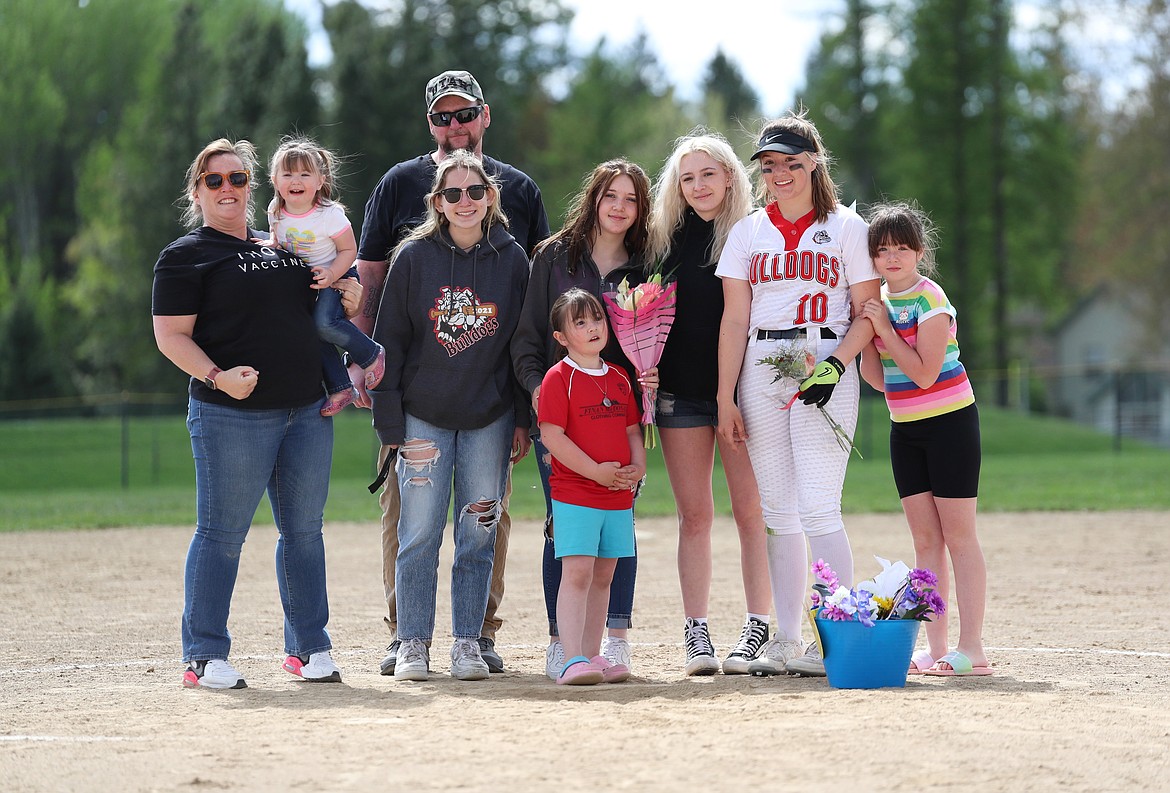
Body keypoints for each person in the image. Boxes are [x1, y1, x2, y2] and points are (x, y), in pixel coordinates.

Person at [352, 70, 550, 676]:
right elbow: (374, 288)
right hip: (421, 401)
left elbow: (530, 316)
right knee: (411, 523)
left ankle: (475, 636)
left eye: (464, 113)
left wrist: (524, 412)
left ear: (485, 116)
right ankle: (405, 635)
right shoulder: (402, 196)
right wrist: (367, 372)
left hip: (489, 406)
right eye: (442, 116)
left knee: (482, 525)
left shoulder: (517, 203)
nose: (454, 125)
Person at [152, 138, 360, 689]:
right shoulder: (185, 254)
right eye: (214, 180)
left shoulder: (284, 247)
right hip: (231, 414)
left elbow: (325, 300)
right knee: (222, 534)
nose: (228, 188)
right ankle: (203, 654)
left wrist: (351, 289)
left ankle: (309, 648)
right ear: (196, 191)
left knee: (304, 533)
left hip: (307, 411)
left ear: (252, 186)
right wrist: (217, 376)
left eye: (238, 178)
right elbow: (171, 336)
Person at [715, 111, 880, 677]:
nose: (780, 173)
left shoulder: (847, 228)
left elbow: (868, 310)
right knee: (779, 512)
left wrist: (836, 366)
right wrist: (724, 396)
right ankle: (786, 640)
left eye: (791, 161)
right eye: (770, 164)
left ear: (814, 162)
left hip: (823, 358)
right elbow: (735, 320)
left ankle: (830, 635)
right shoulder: (748, 232)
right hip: (761, 363)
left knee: (818, 506)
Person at [512, 158, 656, 680]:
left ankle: (611, 642)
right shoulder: (554, 256)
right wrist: (538, 398)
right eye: (610, 196)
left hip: (618, 418)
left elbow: (651, 342)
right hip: (564, 422)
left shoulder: (646, 264)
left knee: (618, 531)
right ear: (594, 198)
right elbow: (528, 336)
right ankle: (562, 642)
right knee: (567, 533)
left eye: (632, 199)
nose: (620, 207)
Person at [647, 131, 773, 676]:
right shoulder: (659, 241)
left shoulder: (752, 235)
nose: (698, 185)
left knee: (751, 513)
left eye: (708, 174)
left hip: (744, 395)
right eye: (687, 177)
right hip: (679, 393)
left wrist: (733, 397)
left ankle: (758, 627)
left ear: (730, 177)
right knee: (694, 516)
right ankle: (696, 633)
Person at [858, 202, 990, 677]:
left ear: (919, 252)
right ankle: (934, 649)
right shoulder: (879, 302)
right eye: (882, 249)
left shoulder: (930, 300)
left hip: (951, 424)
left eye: (902, 248)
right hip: (905, 430)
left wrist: (884, 330)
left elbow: (923, 373)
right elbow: (878, 378)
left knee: (959, 536)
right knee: (925, 541)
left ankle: (972, 649)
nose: (892, 257)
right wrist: (861, 329)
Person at [537, 288, 646, 685]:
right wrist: (594, 472)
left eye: (597, 319)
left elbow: (633, 429)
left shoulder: (618, 377)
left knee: (605, 575)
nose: (592, 327)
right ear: (562, 337)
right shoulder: (558, 378)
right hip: (577, 495)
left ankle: (592, 655)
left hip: (617, 497)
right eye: (580, 323)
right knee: (579, 572)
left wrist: (639, 465)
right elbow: (552, 436)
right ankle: (571, 658)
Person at [265, 135, 385, 417]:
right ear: (275, 180)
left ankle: (371, 354)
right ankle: (341, 387)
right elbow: (277, 235)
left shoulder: (329, 215)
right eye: (288, 173)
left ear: (320, 181)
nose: (296, 180)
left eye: (305, 174)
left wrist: (332, 274)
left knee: (324, 323)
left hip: (338, 273)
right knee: (309, 330)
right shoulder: (275, 211)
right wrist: (272, 243)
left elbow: (349, 249)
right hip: (308, 283)